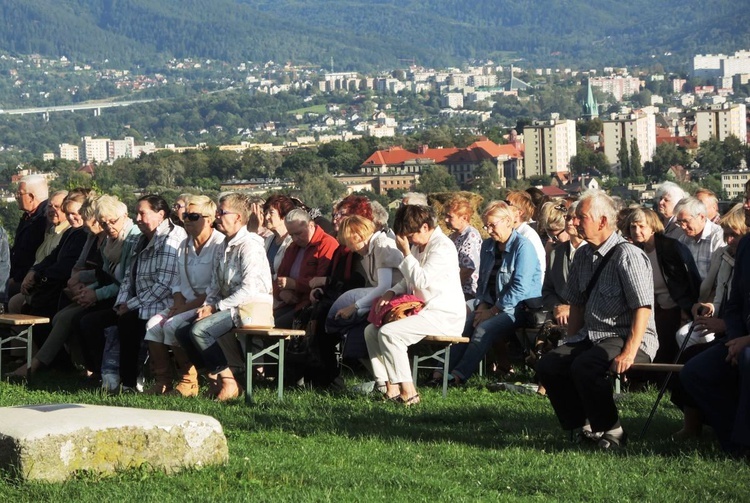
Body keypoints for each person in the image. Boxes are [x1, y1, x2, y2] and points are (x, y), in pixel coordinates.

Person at [536, 189, 658, 449]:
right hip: (592, 336)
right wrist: (568, 344)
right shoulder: (582, 255)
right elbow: (577, 304)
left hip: (626, 335)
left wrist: (629, 351)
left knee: (586, 365)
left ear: (602, 222)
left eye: (581, 217)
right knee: (550, 364)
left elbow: (642, 308)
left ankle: (614, 432)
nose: (575, 222)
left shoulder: (629, 255)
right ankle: (585, 426)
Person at [364, 204, 466, 405]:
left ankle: (409, 392)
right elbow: (409, 279)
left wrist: (406, 254)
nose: (408, 240)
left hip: (443, 315)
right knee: (371, 331)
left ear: (426, 227)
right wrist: (393, 291)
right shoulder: (419, 245)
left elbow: (421, 280)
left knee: (389, 333)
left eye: (411, 235)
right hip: (423, 312)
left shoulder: (443, 248)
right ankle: (388, 388)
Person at [431, 200, 542, 385]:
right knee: (463, 325)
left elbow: (520, 288)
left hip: (519, 308)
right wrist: (482, 306)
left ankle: (458, 376)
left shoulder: (523, 247)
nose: (489, 230)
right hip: (491, 304)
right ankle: (439, 374)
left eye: (492, 225)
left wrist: (491, 312)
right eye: (486, 225)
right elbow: (482, 282)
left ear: (508, 221)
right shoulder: (487, 246)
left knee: (484, 328)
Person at [176, 193, 273, 401]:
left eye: (222, 212)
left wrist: (215, 308)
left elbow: (249, 290)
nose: (217, 216)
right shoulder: (223, 245)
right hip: (230, 307)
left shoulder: (250, 245)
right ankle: (215, 380)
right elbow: (214, 284)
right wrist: (208, 305)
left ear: (238, 217)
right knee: (182, 331)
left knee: (200, 330)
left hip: (251, 308)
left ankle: (229, 382)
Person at [680, 193, 750, 454]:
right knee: (694, 372)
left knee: (747, 360)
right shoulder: (746, 247)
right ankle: (732, 438)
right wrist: (734, 337)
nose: (746, 205)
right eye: (746, 198)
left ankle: (744, 441)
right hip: (738, 336)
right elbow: (734, 304)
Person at [6, 195, 104, 378]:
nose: (72, 217)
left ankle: (39, 364)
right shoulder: (75, 233)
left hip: (85, 291)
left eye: (75, 213)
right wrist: (34, 271)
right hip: (73, 287)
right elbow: (54, 258)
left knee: (58, 314)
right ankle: (37, 359)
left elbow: (74, 267)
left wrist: (45, 278)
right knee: (25, 302)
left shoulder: (89, 235)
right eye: (69, 213)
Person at [143, 195, 225, 396]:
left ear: (210, 218)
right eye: (186, 215)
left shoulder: (219, 244)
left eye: (194, 216)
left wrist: (183, 309)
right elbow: (177, 281)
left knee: (172, 325)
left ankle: (189, 382)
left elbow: (215, 287)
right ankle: (163, 381)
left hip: (207, 304)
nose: (187, 220)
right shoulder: (184, 245)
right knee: (153, 325)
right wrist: (178, 302)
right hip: (184, 303)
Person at [113, 195, 187, 393]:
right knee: (110, 320)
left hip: (164, 302)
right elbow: (129, 274)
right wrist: (121, 302)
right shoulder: (140, 239)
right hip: (140, 301)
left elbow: (165, 283)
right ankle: (122, 380)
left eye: (142, 213)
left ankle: (134, 381)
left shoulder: (173, 237)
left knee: (129, 321)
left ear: (160, 214)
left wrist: (131, 304)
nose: (137, 218)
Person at [77, 195, 141, 387]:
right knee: (80, 319)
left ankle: (112, 373)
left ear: (125, 216)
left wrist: (96, 294)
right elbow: (106, 274)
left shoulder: (133, 238)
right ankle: (98, 371)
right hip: (114, 294)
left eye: (113, 221)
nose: (109, 227)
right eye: (104, 224)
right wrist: (88, 290)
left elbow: (127, 281)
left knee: (92, 321)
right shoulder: (108, 242)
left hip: (131, 298)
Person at [628, 207, 700, 363]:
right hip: (653, 307)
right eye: (633, 227)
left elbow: (687, 281)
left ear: (653, 227)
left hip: (675, 307)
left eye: (641, 226)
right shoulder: (635, 250)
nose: (637, 231)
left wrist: (685, 308)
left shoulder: (671, 248)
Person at [274, 208, 339, 329]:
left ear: (311, 225)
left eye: (298, 233)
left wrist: (295, 284)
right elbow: (278, 279)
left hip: (309, 306)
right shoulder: (292, 247)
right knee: (264, 323)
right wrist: (281, 293)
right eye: (291, 235)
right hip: (289, 303)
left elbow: (322, 280)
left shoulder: (327, 244)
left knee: (276, 326)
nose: (295, 239)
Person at [542, 201, 586, 329]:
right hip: (561, 323)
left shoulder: (595, 252)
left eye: (575, 218)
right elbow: (547, 290)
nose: (570, 222)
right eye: (567, 218)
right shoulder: (556, 253)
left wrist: (572, 309)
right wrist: (557, 306)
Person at [7, 174, 49, 300]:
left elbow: (32, 256)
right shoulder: (28, 216)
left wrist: (15, 279)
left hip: (29, 280)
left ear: (31, 197)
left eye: (20, 193)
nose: (16, 197)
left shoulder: (42, 220)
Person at [673, 196, 724, 280]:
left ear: (701, 217)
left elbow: (721, 275)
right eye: (679, 222)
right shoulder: (683, 240)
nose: (683, 226)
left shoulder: (718, 237)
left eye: (686, 221)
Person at [443, 196, 482, 300]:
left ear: (464, 218)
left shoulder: (471, 236)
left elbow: (467, 270)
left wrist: (447, 289)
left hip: (466, 291)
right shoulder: (452, 237)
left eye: (450, 217)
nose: (446, 220)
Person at [505, 190, 546, 282]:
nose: (503, 208)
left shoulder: (528, 236)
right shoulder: (511, 234)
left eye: (507, 204)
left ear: (519, 213)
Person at [261, 194, 295, 279]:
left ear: (284, 215)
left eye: (271, 213)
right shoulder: (268, 240)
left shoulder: (292, 241)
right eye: (265, 213)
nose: (266, 217)